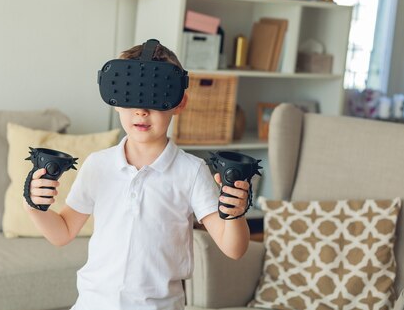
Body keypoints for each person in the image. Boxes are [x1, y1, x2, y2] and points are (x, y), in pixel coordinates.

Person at [23, 41, 251, 310]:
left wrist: (235, 213)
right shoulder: (98, 165)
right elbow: (61, 233)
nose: (141, 111)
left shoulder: (191, 171)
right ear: (116, 101)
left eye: (155, 98)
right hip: (94, 303)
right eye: (131, 97)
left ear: (180, 102)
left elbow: (233, 248)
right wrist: (33, 204)